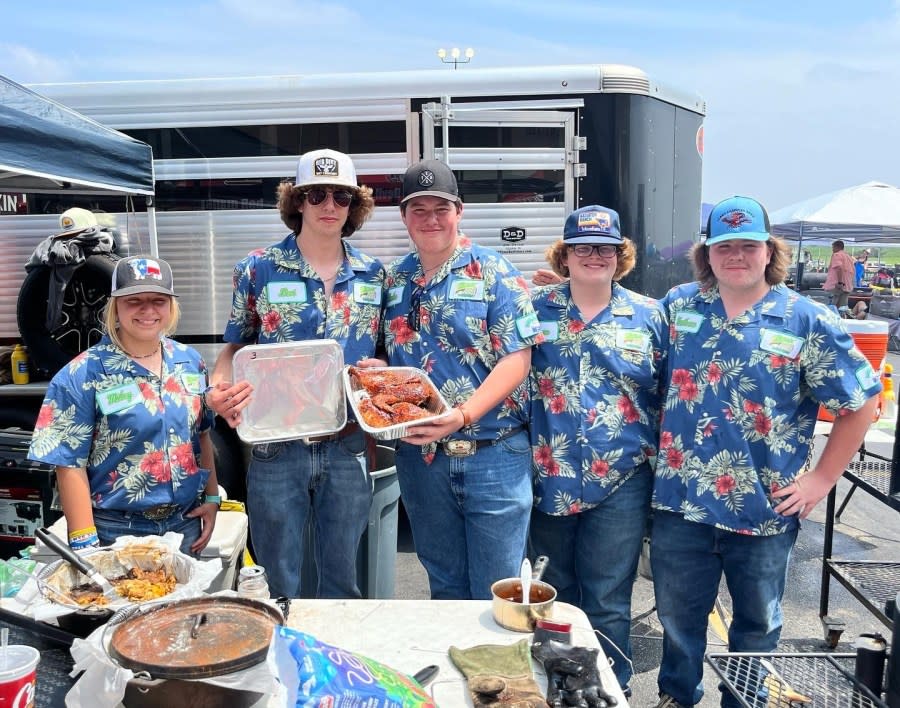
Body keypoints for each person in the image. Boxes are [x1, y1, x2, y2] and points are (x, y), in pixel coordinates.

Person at [650, 196, 880, 708]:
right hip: (680, 503)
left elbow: (862, 403)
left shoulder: (806, 319)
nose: (736, 256)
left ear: (768, 251)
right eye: (723, 246)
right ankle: (677, 697)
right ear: (706, 254)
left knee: (756, 628)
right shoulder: (678, 307)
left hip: (763, 510)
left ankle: (745, 703)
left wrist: (821, 479)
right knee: (679, 620)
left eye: (748, 246)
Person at [205, 149, 382, 599]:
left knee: (342, 578)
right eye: (316, 194)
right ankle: (279, 663)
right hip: (275, 447)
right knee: (276, 577)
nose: (329, 205)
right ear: (297, 202)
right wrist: (218, 389)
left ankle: (338, 664)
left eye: (341, 196)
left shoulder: (374, 275)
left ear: (353, 205)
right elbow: (237, 345)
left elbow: (383, 354)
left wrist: (379, 368)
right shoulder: (258, 268)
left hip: (346, 444)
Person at [372, 159, 543, 600]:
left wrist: (462, 415)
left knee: (499, 592)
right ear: (404, 216)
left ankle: (499, 673)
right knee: (445, 587)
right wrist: (377, 372)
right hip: (422, 462)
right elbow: (392, 356)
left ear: (459, 211)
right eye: (419, 209)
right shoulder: (395, 279)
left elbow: (517, 359)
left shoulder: (494, 271)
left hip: (493, 455)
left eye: (441, 209)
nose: (431, 219)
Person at [527, 205, 667, 692]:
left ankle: (611, 688)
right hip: (551, 476)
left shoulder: (651, 316)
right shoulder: (533, 309)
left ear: (619, 255)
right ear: (564, 255)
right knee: (555, 593)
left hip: (623, 480)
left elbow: (670, 394)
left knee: (608, 596)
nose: (593, 256)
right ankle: (562, 685)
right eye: (581, 247)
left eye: (604, 248)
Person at [27, 256, 220, 557]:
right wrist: (85, 544)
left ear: (171, 306)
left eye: (158, 300)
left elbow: (202, 434)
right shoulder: (81, 375)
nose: (147, 310)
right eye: (134, 300)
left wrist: (212, 498)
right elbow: (68, 463)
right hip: (115, 533)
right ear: (115, 306)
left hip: (184, 526)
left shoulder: (189, 361)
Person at [823, 239, 855, 308]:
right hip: (847, 286)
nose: (832, 250)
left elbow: (839, 268)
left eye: (833, 248)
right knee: (842, 308)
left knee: (832, 307)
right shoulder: (849, 257)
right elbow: (853, 271)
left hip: (837, 286)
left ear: (837, 247)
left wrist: (840, 282)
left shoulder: (836, 255)